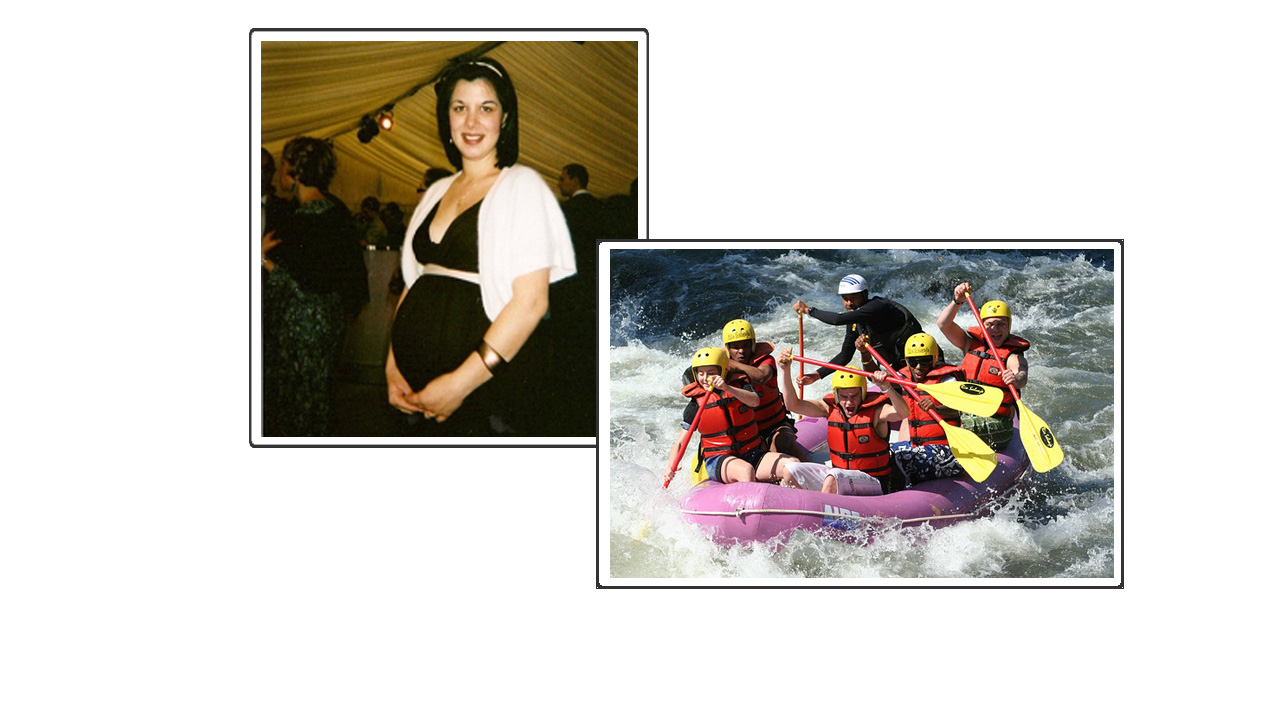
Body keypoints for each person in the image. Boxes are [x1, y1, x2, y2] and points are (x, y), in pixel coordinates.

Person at [386, 57, 576, 436]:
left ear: (504, 118)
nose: (471, 122)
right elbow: (413, 282)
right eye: (460, 108)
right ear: (447, 118)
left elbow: (531, 303)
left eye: (485, 108)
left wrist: (459, 384)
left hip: (486, 390)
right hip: (414, 389)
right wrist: (392, 366)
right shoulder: (437, 190)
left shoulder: (522, 186)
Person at [261, 136, 368, 436]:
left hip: (299, 326)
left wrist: (261, 258)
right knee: (319, 399)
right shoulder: (337, 212)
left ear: (296, 172)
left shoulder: (300, 220)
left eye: (283, 165)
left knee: (294, 404)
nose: (280, 172)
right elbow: (352, 281)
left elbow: (296, 284)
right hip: (330, 323)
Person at [777, 348, 911, 494]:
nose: (848, 403)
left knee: (833, 478)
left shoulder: (877, 412)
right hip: (841, 476)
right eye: (844, 397)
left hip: (873, 480)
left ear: (863, 393)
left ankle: (821, 512)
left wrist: (887, 388)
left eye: (854, 396)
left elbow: (903, 412)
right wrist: (785, 370)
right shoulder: (828, 409)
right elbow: (793, 405)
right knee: (791, 470)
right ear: (836, 395)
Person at [663, 347, 798, 488]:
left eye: (711, 373)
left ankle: (788, 501)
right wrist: (670, 467)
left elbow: (755, 401)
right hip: (719, 459)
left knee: (792, 465)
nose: (705, 378)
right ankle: (750, 507)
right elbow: (680, 442)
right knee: (746, 471)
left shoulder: (740, 386)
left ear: (723, 371)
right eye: (700, 373)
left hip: (752, 453)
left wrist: (727, 388)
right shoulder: (695, 405)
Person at [936, 282, 1030, 450]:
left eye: (1001, 324)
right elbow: (943, 324)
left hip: (996, 421)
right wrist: (957, 301)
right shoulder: (969, 344)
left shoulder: (1012, 355)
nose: (995, 329)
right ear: (982, 326)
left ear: (1009, 326)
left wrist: (1015, 378)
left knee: (963, 425)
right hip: (967, 411)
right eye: (990, 324)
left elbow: (1021, 373)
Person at [792, 273, 926, 387]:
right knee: (874, 377)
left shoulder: (878, 307)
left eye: (854, 298)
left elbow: (837, 320)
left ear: (865, 294)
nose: (849, 303)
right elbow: (844, 356)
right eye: (845, 299)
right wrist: (815, 376)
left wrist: (808, 310)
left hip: (924, 363)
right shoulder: (855, 322)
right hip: (900, 369)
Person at [721, 319, 808, 461]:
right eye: (736, 347)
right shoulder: (722, 369)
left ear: (753, 345)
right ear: (727, 349)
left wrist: (734, 365)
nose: (741, 351)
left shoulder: (766, 361)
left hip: (774, 427)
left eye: (746, 346)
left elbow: (761, 377)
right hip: (744, 434)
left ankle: (811, 476)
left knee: (783, 443)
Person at [887, 332, 967, 484]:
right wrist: (865, 356)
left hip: (948, 452)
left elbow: (959, 410)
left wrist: (936, 408)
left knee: (901, 458)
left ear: (934, 359)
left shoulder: (947, 381)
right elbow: (876, 377)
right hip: (916, 447)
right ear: (906, 361)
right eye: (913, 361)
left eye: (925, 361)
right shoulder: (904, 379)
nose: (918, 367)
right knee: (883, 454)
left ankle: (899, 495)